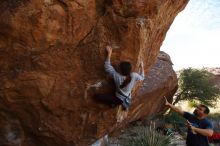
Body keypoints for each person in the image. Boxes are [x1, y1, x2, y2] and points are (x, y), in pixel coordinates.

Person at [94, 46, 144, 110]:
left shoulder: (116, 76)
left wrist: (109, 53)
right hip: (126, 97)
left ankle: (113, 103)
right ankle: (120, 104)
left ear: (120, 70)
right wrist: (141, 67)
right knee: (113, 96)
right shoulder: (134, 75)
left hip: (118, 99)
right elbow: (142, 77)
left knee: (96, 97)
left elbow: (107, 66)